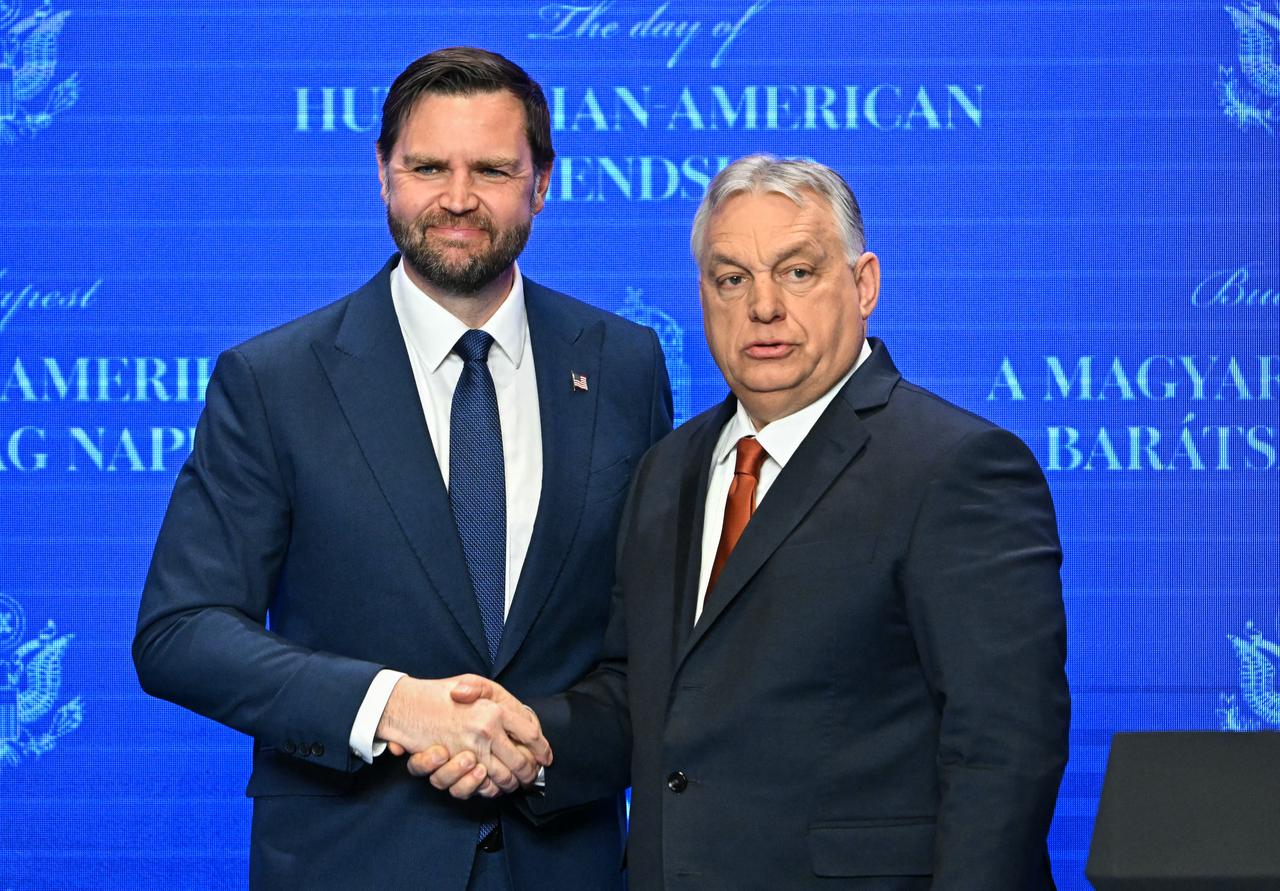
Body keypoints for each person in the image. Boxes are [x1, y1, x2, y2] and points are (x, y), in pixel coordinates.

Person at [419, 155, 1070, 889]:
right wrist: (527, 739)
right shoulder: (667, 469)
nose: (763, 306)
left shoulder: (956, 467)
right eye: (732, 278)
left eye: (797, 272)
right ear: (703, 297)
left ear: (865, 285)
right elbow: (649, 693)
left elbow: (1003, 751)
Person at [133, 47, 672, 891]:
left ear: (542, 183)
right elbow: (180, 631)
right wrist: (392, 706)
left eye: (492, 169)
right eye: (428, 167)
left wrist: (535, 742)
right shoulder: (274, 380)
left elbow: (652, 639)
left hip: (566, 861)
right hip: (351, 863)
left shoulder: (627, 366)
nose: (457, 198)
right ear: (383, 175)